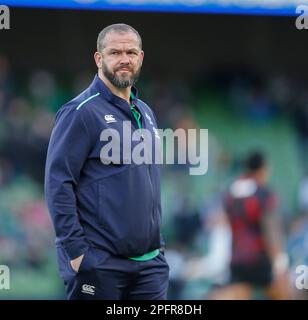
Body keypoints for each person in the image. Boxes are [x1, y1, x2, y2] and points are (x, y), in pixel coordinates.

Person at [45, 24, 169, 300]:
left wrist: (158, 247)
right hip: (101, 264)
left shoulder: (146, 112)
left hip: (150, 265)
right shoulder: (80, 112)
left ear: (141, 58)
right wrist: (77, 252)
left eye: (131, 52)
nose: (124, 59)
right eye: (115, 52)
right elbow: (58, 184)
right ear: (99, 59)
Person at [211, 151, 290, 299]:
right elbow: (271, 228)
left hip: (237, 260)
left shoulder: (230, 192)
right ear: (263, 168)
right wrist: (279, 262)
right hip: (260, 259)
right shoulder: (264, 192)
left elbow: (221, 222)